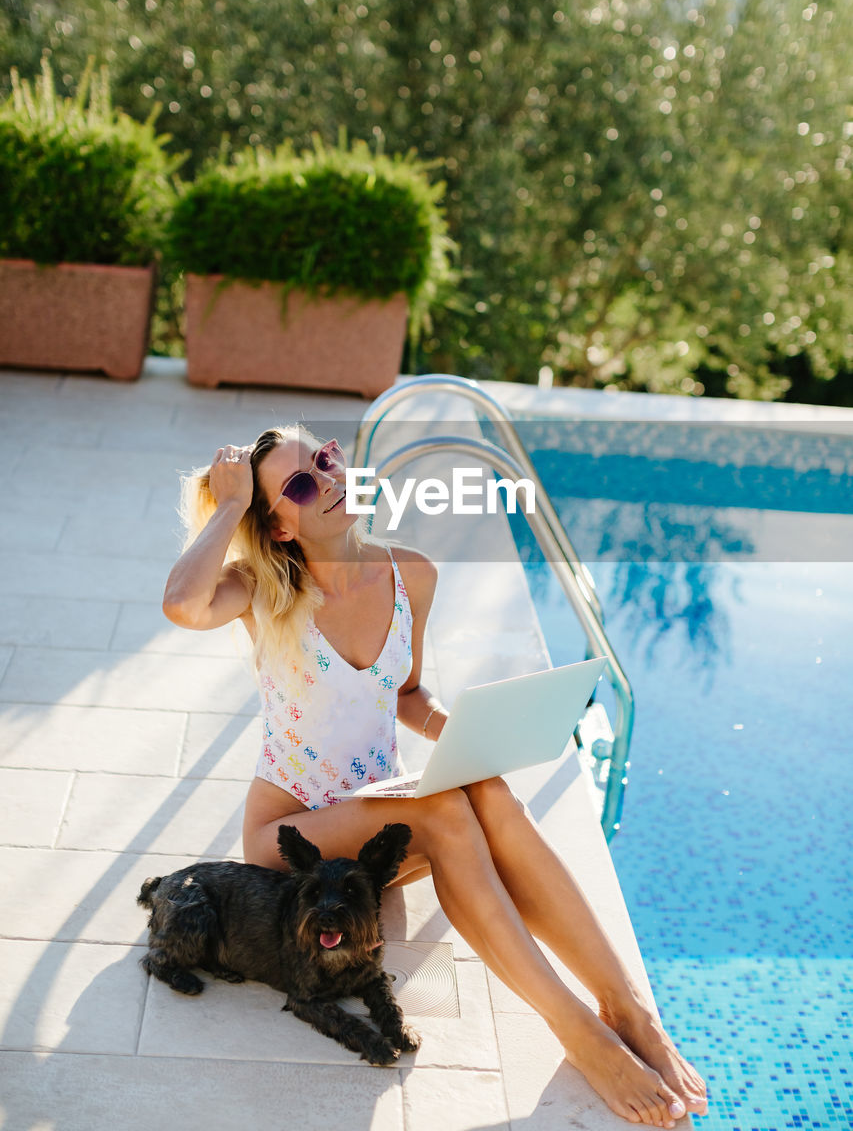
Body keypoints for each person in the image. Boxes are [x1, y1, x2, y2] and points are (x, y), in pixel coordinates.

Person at [163, 425, 708, 1128]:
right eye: (300, 485)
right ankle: (575, 1026)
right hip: (288, 847)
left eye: (325, 460)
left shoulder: (409, 574)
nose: (327, 480)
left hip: (375, 849)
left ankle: (625, 1009)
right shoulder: (265, 589)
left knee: (483, 788)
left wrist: (473, 734)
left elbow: (408, 694)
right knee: (443, 811)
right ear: (278, 523)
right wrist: (231, 505)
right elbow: (180, 604)